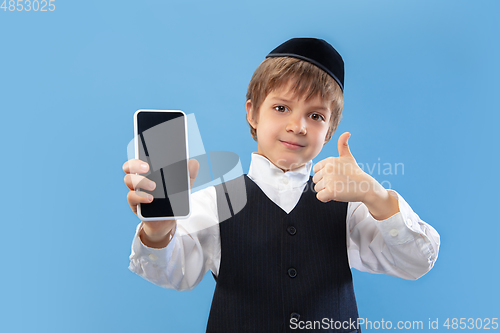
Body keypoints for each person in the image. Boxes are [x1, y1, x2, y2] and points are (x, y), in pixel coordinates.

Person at [123, 38, 440, 332]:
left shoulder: (351, 204)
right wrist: (159, 230)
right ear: (252, 113)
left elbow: (415, 262)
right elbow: (171, 272)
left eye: (316, 116)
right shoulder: (215, 200)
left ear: (329, 131)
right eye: (281, 108)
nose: (297, 126)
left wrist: (376, 195)